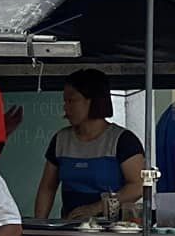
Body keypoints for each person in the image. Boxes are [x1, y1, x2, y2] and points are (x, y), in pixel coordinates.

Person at [33, 69, 146, 225]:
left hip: (114, 229)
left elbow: (138, 186)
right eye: (65, 101)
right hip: (70, 227)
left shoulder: (123, 140)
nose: (65, 107)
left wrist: (95, 208)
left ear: (93, 101)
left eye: (71, 101)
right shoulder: (61, 139)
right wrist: (40, 224)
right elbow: (48, 187)